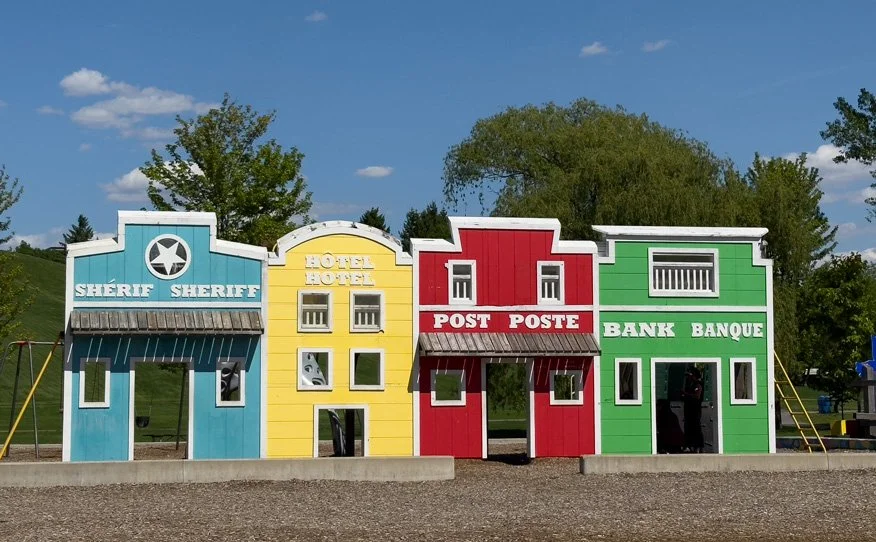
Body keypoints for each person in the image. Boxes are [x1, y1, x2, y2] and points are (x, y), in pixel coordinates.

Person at [681, 366, 704, 453]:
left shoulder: (698, 385)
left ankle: (699, 446)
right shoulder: (689, 385)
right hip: (688, 410)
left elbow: (697, 396)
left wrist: (686, 394)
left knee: (696, 428)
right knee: (688, 428)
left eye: (690, 375)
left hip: (695, 411)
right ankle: (689, 445)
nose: (688, 378)